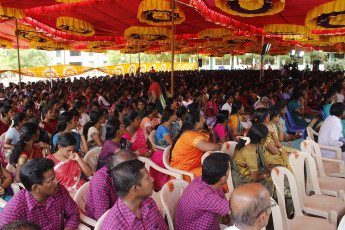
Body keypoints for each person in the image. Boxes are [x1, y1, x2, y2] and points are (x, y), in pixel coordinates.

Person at [0, 158, 80, 230]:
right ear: (36, 188)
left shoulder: (60, 190)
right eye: (51, 180)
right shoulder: (13, 211)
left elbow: (73, 213)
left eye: (55, 177)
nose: (57, 181)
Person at [101, 160, 168, 230]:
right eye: (148, 178)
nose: (152, 179)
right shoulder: (114, 226)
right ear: (135, 188)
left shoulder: (150, 204)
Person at [175, 153, 231, 230]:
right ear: (223, 178)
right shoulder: (204, 196)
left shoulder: (203, 179)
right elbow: (235, 210)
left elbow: (223, 198)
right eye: (229, 170)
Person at [85, 150, 137, 220]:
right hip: (106, 219)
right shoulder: (101, 181)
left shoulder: (129, 175)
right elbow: (102, 216)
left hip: (121, 209)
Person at [123, 110, 168, 191]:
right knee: (160, 161)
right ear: (131, 122)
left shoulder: (140, 130)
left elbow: (148, 141)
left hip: (148, 153)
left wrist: (151, 149)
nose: (140, 120)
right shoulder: (125, 136)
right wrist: (143, 155)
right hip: (137, 158)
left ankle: (165, 184)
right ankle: (158, 185)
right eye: (137, 119)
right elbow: (127, 154)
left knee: (164, 155)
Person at [170, 112, 221, 182]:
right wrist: (221, 145)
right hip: (184, 173)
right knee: (215, 173)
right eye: (201, 120)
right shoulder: (190, 135)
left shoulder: (190, 133)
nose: (203, 121)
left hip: (189, 168)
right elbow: (211, 147)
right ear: (196, 124)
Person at [231, 124, 272, 191]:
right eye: (267, 136)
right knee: (277, 186)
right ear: (262, 140)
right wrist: (269, 174)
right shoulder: (250, 153)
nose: (267, 138)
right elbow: (255, 178)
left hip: (243, 174)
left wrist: (269, 168)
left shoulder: (247, 141)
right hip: (244, 182)